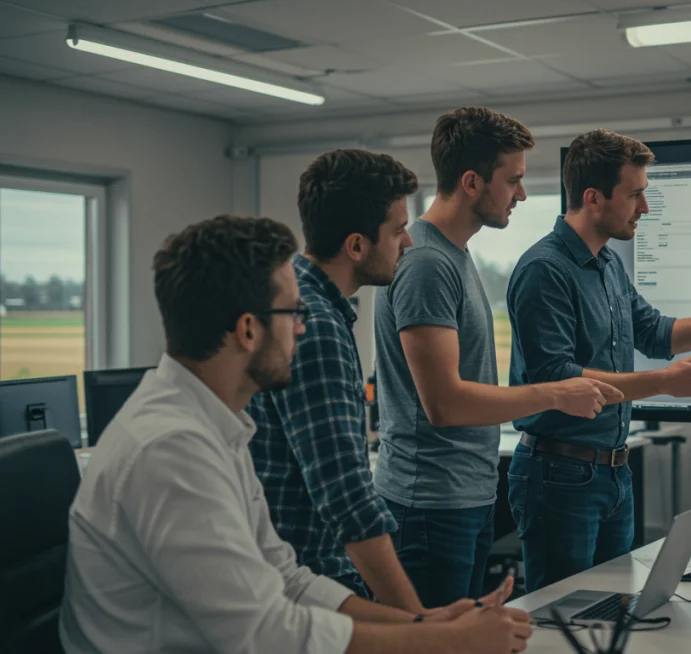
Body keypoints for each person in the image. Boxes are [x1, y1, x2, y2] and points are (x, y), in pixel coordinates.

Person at [59, 215, 532, 654]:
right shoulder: (172, 451)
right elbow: (265, 633)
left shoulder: (214, 424)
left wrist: (424, 626)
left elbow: (286, 578)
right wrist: (444, 643)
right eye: (293, 313)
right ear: (248, 330)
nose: (303, 329)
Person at [505, 129, 691, 591]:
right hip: (559, 477)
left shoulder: (608, 264)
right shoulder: (546, 270)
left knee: (614, 611)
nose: (644, 207)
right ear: (594, 198)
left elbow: (658, 333)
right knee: (560, 621)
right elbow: (557, 378)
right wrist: (663, 383)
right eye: (635, 195)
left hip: (613, 473)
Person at [374, 106, 624, 608]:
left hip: (464, 497)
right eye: (513, 181)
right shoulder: (426, 264)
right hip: (430, 507)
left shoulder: (455, 255)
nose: (523, 194)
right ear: (471, 181)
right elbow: (444, 404)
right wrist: (555, 392)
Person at [245, 149, 503, 613]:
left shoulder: (318, 310)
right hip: (311, 584)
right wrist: (421, 625)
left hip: (314, 579)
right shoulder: (315, 326)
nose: (407, 243)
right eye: (398, 230)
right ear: (357, 247)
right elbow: (345, 497)